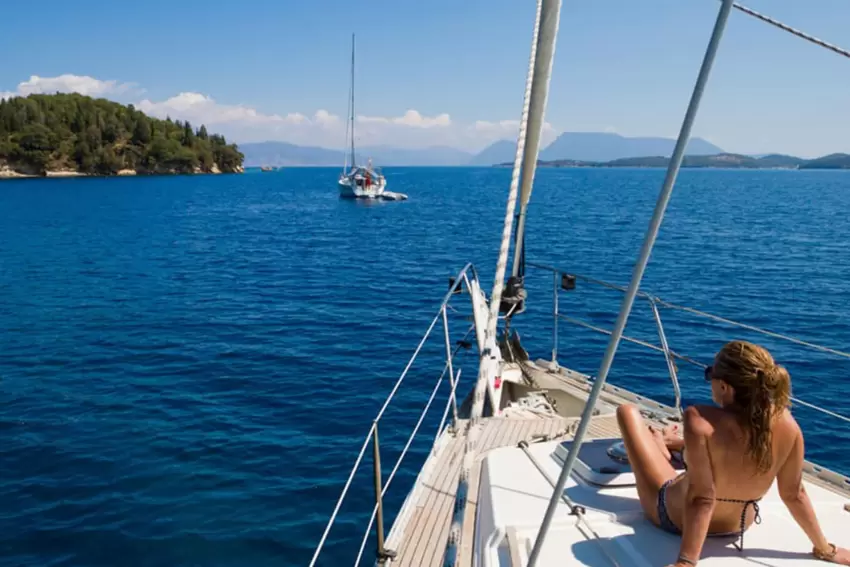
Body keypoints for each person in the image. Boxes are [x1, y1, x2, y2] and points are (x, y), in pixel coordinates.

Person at [616, 340, 849, 566]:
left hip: (675, 518)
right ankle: (669, 444)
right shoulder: (789, 424)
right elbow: (794, 494)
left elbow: (702, 498)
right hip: (738, 524)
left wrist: (686, 562)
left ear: (724, 386)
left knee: (627, 412)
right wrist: (825, 549)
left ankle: (662, 444)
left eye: (710, 376)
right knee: (697, 463)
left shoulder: (699, 419)